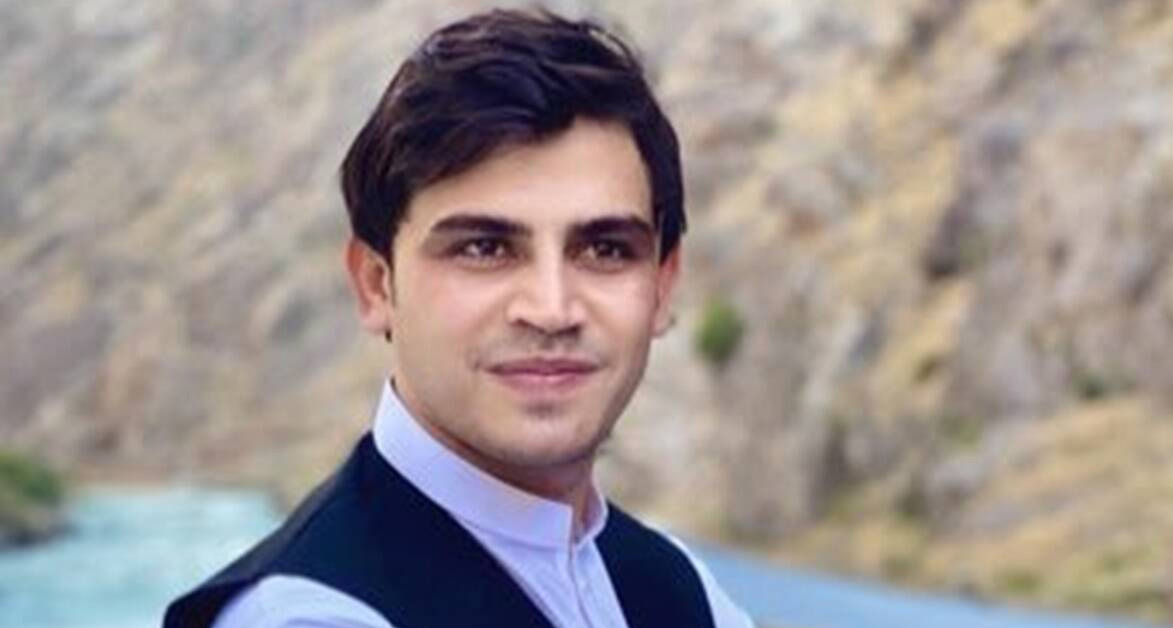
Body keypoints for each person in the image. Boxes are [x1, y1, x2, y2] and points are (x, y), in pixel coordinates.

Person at [164, 8, 754, 628]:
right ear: (376, 284)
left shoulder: (682, 589)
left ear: (662, 286)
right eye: (485, 248)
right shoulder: (308, 616)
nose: (551, 309)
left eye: (605, 250)